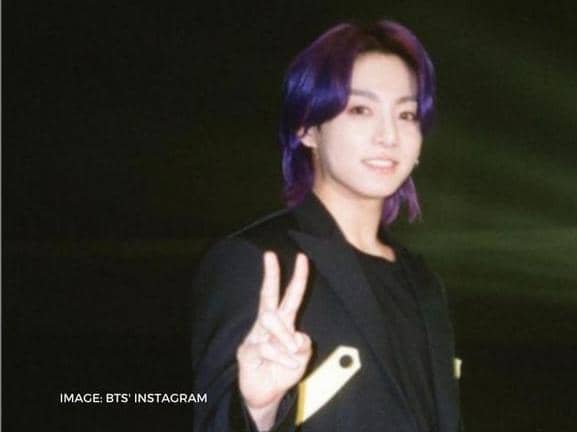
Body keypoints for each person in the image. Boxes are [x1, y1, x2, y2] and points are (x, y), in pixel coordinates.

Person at [192, 20, 461, 432]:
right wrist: (258, 410)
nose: (389, 136)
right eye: (360, 110)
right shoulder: (256, 263)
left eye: (406, 114)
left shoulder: (424, 283)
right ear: (307, 128)